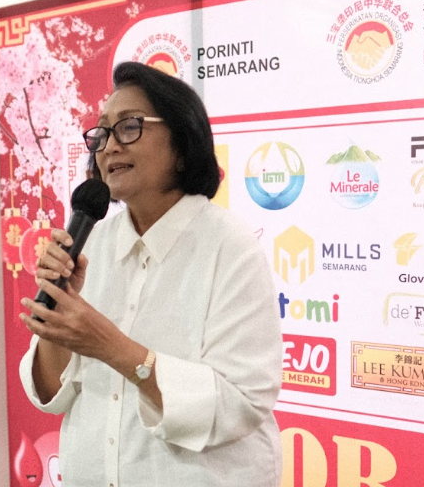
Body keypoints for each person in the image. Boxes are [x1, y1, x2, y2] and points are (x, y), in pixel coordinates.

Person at [19, 61, 283, 486]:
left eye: (129, 127)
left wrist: (111, 346)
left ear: (182, 144)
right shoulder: (91, 242)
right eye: (102, 133)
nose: (109, 147)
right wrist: (56, 319)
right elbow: (52, 393)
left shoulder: (230, 247)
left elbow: (241, 403)